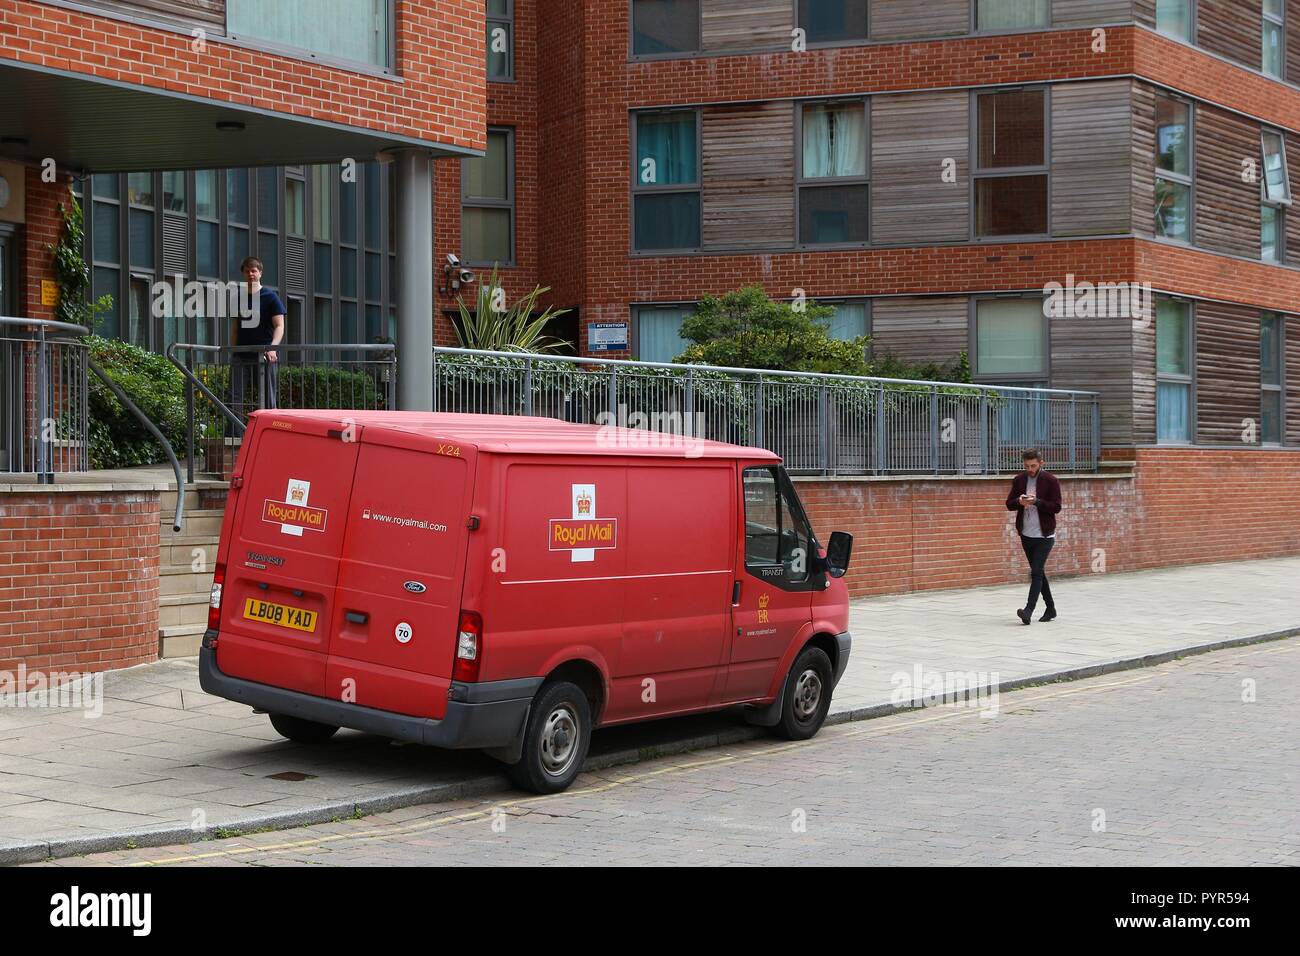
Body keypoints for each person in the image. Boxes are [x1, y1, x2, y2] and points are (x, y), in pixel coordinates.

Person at [1005, 448, 1062, 625]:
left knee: (1036, 572)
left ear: (1041, 463)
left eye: (1033, 465)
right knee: (1039, 572)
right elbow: (1009, 504)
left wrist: (1037, 502)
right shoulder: (1019, 480)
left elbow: (1056, 507)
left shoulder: (1050, 480)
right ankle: (1051, 608)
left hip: (1044, 535)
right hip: (1026, 533)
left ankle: (1028, 610)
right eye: (1027, 465)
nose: (1030, 469)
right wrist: (1019, 502)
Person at [230, 256, 286, 411]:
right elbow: (235, 328)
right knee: (235, 396)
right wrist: (234, 351)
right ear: (243, 274)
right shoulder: (237, 298)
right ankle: (235, 433)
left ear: (260, 273)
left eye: (254, 271)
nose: (250, 274)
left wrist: (273, 347)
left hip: (264, 355)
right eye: (247, 271)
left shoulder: (270, 297)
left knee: (268, 396)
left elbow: (280, 326)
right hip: (241, 355)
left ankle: (270, 431)